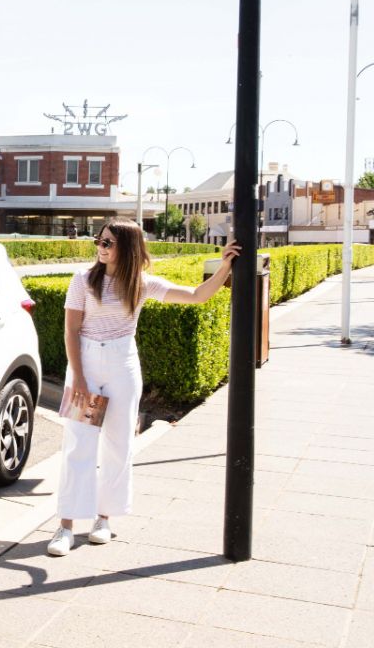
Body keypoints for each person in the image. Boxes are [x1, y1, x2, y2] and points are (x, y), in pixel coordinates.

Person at [47, 218, 240, 557]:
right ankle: (65, 526)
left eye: (108, 243)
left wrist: (224, 266)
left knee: (118, 445)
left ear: (127, 247)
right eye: (99, 241)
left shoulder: (141, 284)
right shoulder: (82, 280)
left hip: (123, 365)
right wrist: (77, 376)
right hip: (87, 366)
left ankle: (103, 520)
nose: (100, 248)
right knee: (78, 444)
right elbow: (71, 331)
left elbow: (196, 296)